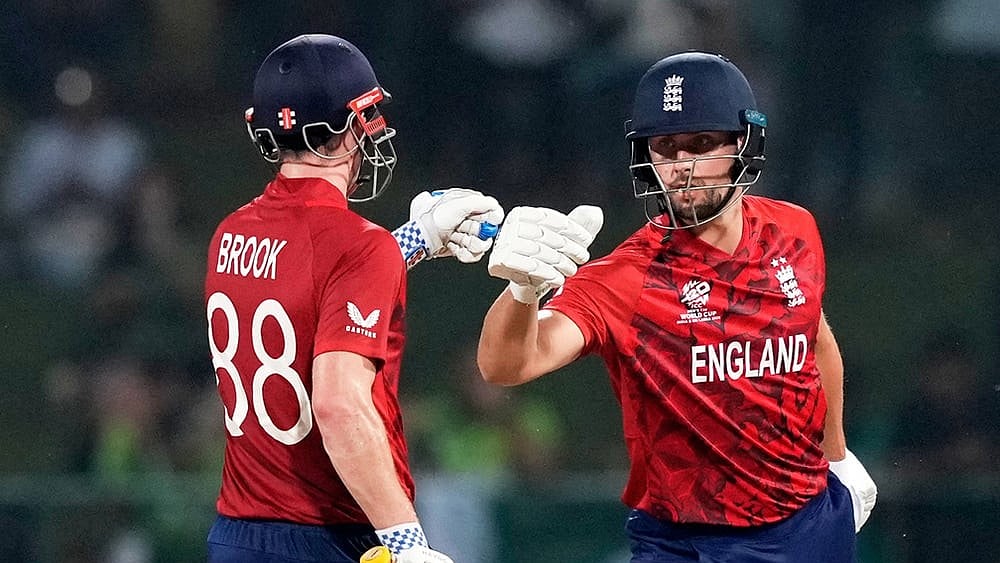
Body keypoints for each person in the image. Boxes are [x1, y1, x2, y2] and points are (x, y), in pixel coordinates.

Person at [477, 51, 877, 562]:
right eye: (666, 148)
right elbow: (505, 365)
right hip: (685, 541)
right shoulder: (626, 279)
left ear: (743, 145)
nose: (682, 167)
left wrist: (837, 457)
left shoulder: (794, 230)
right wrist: (522, 292)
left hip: (806, 527)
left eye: (702, 145)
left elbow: (813, 339)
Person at [203, 34, 503, 563]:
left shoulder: (230, 232)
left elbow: (303, 284)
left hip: (236, 534)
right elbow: (339, 406)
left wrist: (411, 242)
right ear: (347, 129)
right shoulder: (360, 246)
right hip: (331, 536)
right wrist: (407, 542)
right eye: (368, 116)